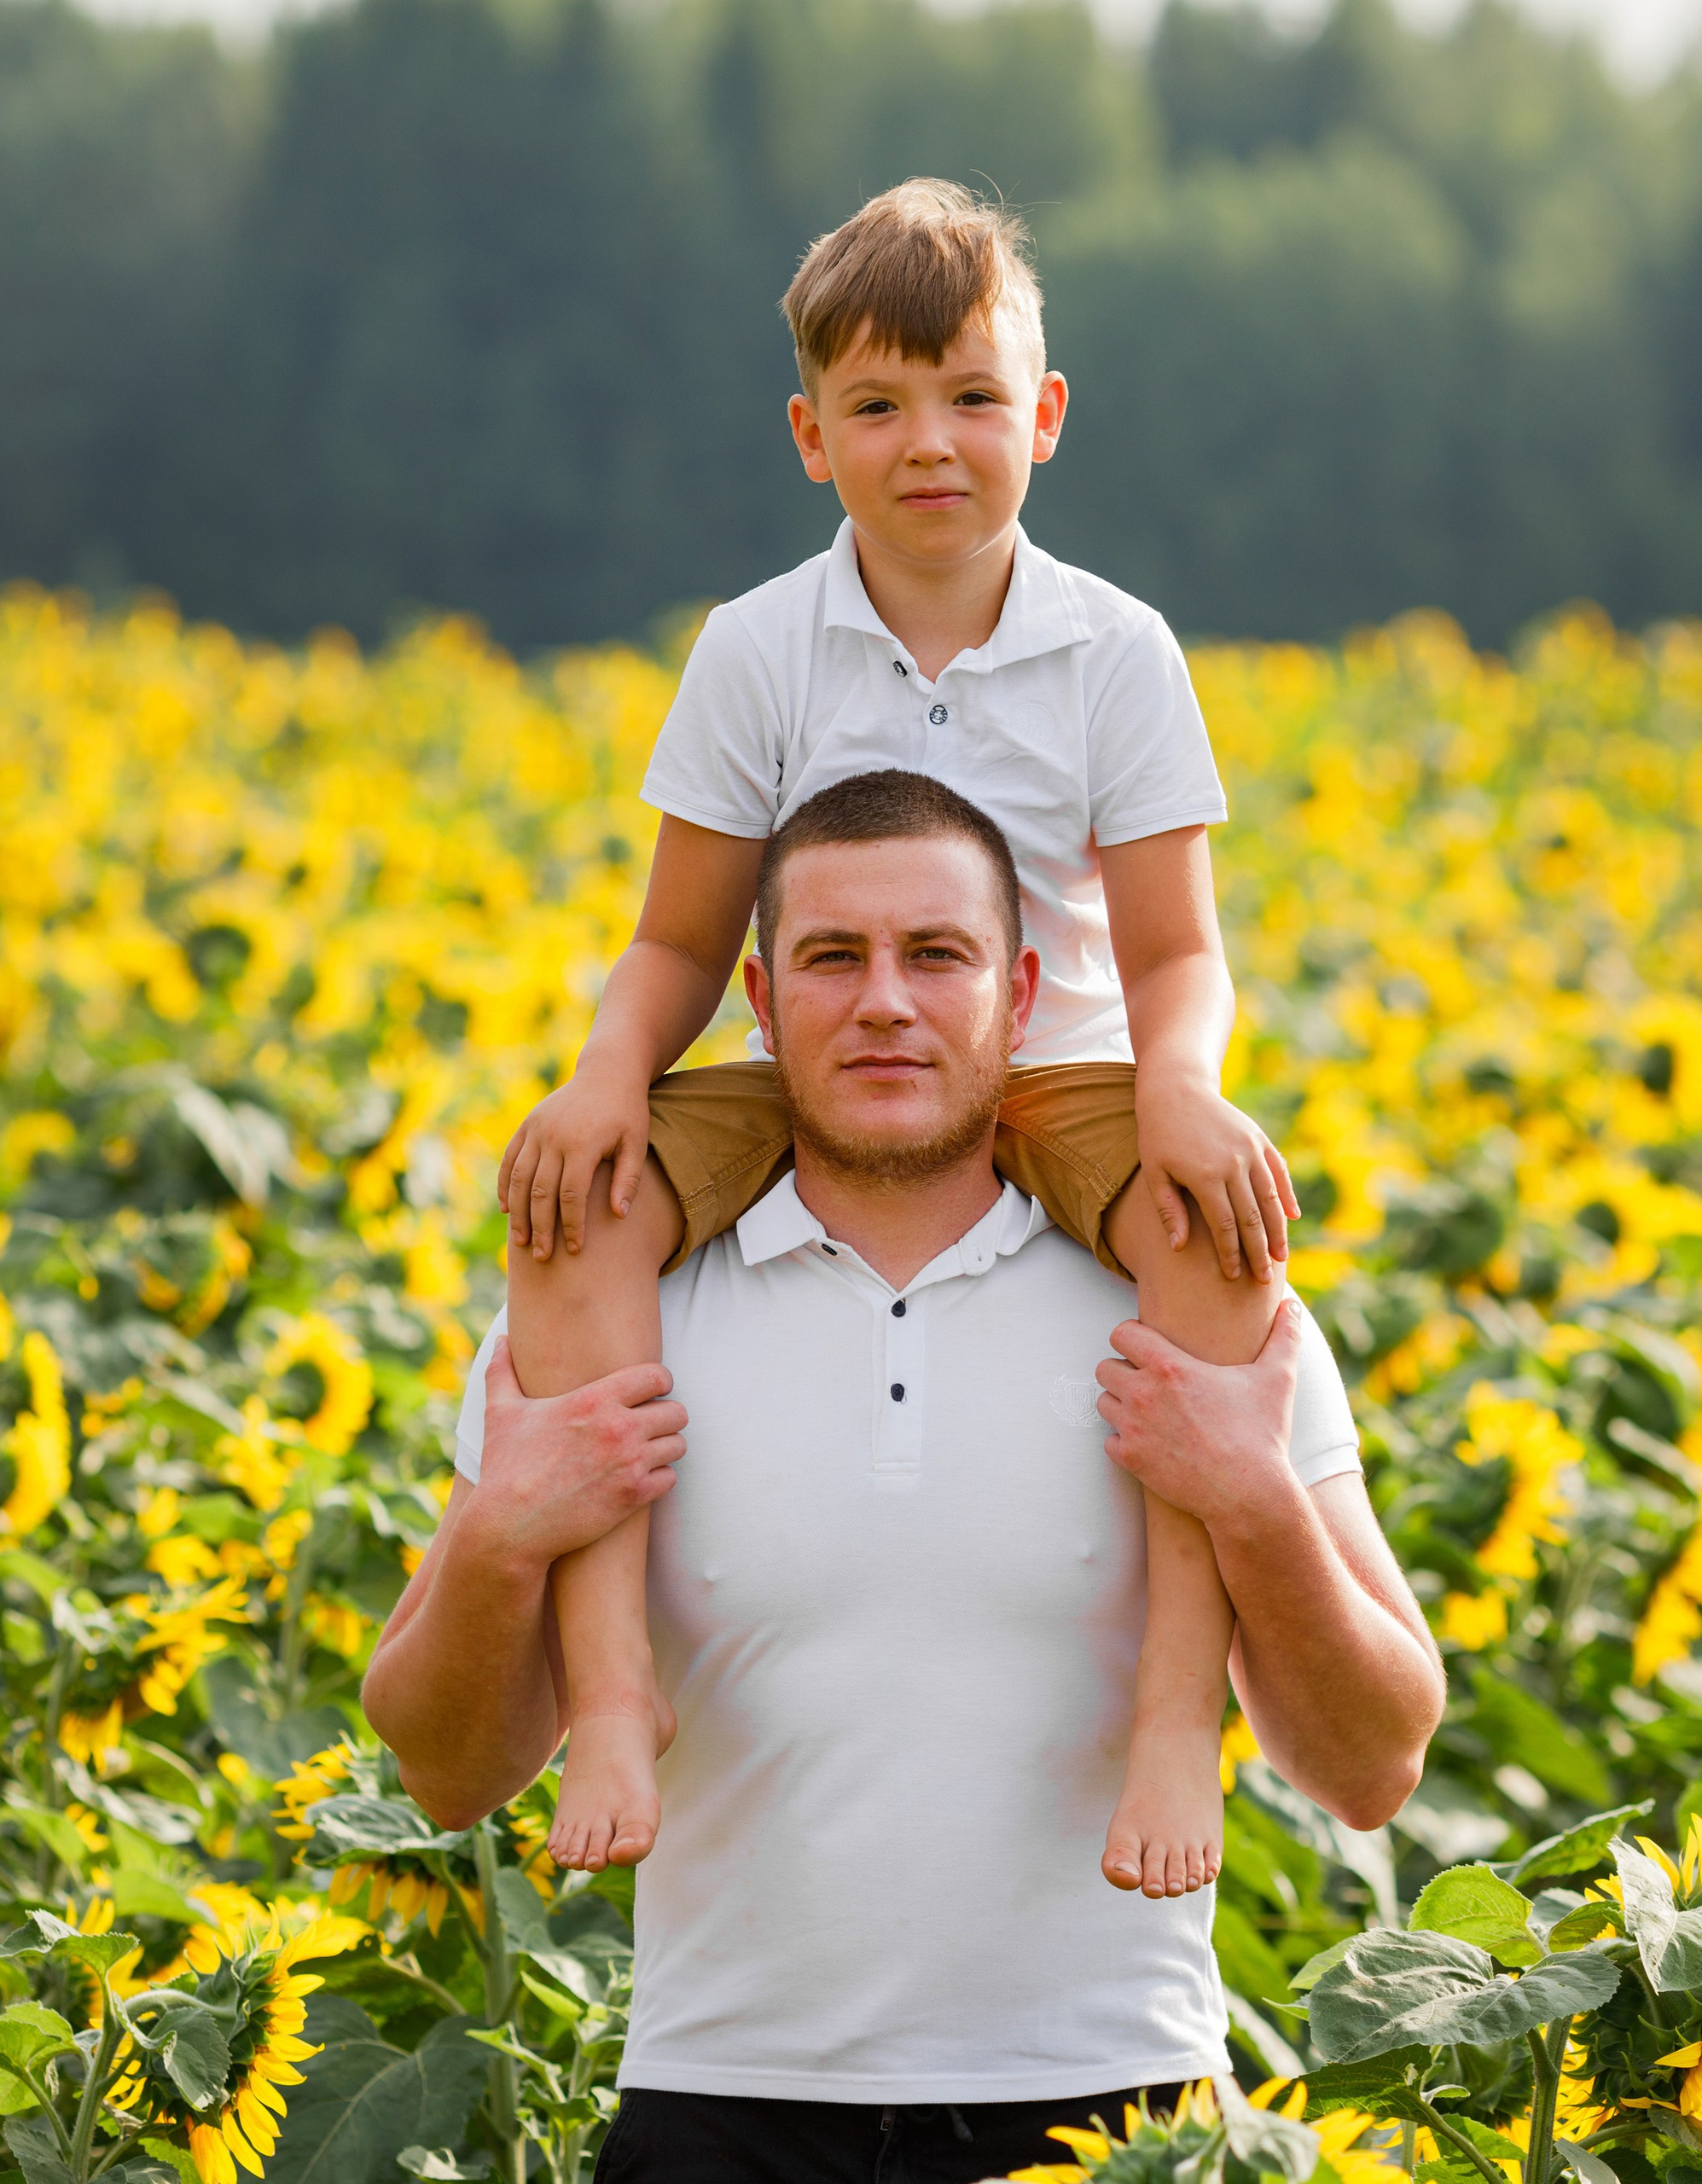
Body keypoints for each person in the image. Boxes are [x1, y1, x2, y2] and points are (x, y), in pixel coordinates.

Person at [363, 773, 1444, 2184]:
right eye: (833, 958)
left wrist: (1253, 1496)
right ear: (759, 996)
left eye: (937, 956)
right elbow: (444, 1771)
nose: (885, 1002)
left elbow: (1375, 1766)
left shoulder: (1190, 1302)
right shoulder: (612, 1313)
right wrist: (503, 1533)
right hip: (717, 2108)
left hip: (1117, 2104)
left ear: (1023, 990)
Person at [495, 177, 1300, 1893]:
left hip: (1059, 1071)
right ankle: (614, 1686)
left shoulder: (1117, 651)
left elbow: (1173, 952)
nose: (926, 441)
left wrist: (1180, 1092)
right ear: (808, 435)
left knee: (1212, 1240)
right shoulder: (755, 647)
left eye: (969, 398)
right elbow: (676, 937)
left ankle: (1172, 1711)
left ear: (1045, 417)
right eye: (875, 404)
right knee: (574, 1206)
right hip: (808, 1078)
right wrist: (598, 1079)